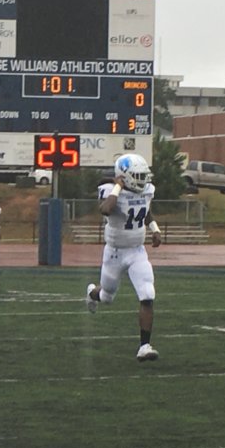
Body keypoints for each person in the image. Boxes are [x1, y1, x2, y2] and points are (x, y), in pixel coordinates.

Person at [85, 153, 161, 361]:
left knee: (147, 294)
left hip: (137, 251)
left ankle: (144, 346)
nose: (142, 180)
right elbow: (106, 209)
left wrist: (154, 228)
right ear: (123, 176)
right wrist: (118, 187)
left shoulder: (147, 190)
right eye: (137, 175)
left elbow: (145, 211)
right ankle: (92, 292)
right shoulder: (110, 190)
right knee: (107, 297)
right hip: (115, 252)